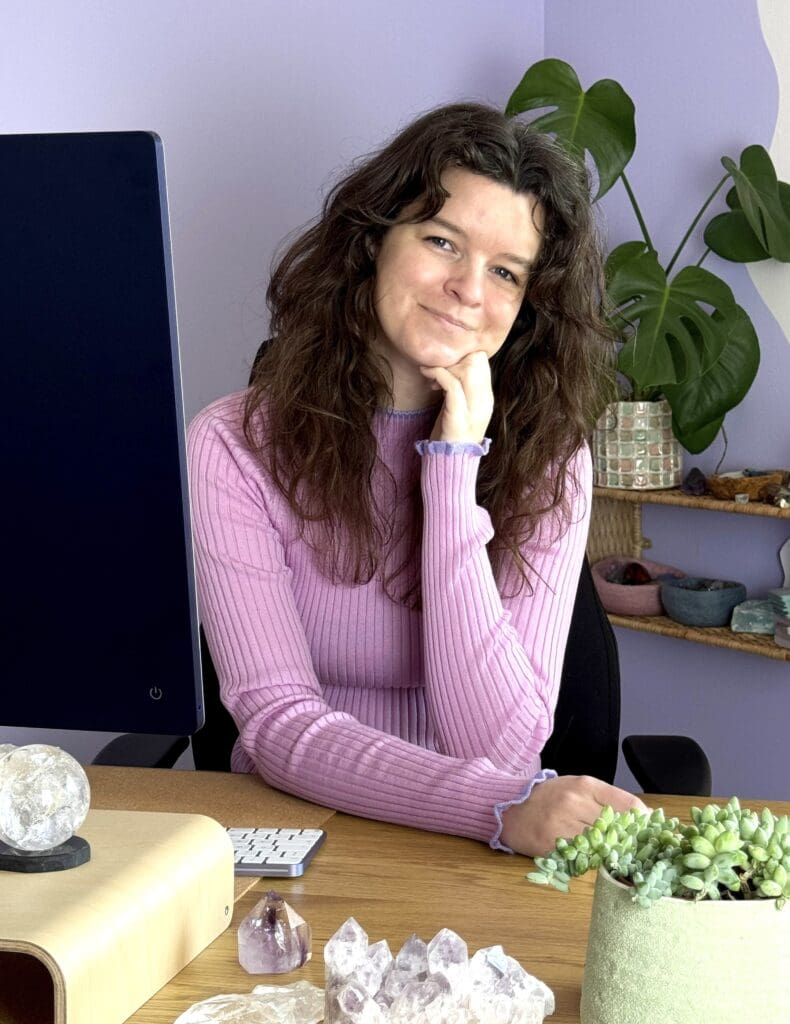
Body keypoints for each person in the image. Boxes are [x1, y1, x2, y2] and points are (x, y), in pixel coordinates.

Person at [188, 102, 646, 857]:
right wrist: (496, 807)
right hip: (303, 835)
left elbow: (499, 745)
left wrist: (451, 470)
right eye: (442, 241)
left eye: (506, 271)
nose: (470, 288)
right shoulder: (235, 444)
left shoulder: (551, 457)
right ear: (370, 244)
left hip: (478, 849)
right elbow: (274, 722)